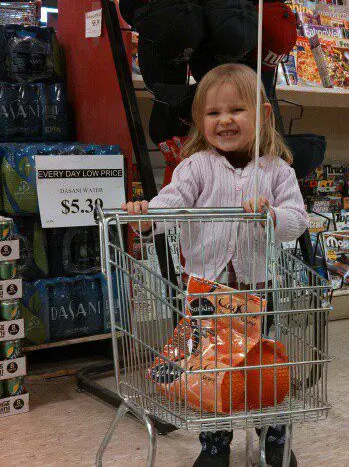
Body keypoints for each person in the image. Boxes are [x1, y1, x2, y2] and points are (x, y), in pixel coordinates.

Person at [123, 63, 308, 467]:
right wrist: (144, 215)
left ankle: (273, 437)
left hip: (259, 291)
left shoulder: (276, 170)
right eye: (213, 113)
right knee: (211, 369)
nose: (224, 120)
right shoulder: (196, 167)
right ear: (198, 122)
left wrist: (273, 215)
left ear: (263, 115)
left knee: (262, 371)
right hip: (206, 293)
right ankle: (214, 446)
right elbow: (168, 205)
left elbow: (298, 220)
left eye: (236, 110)